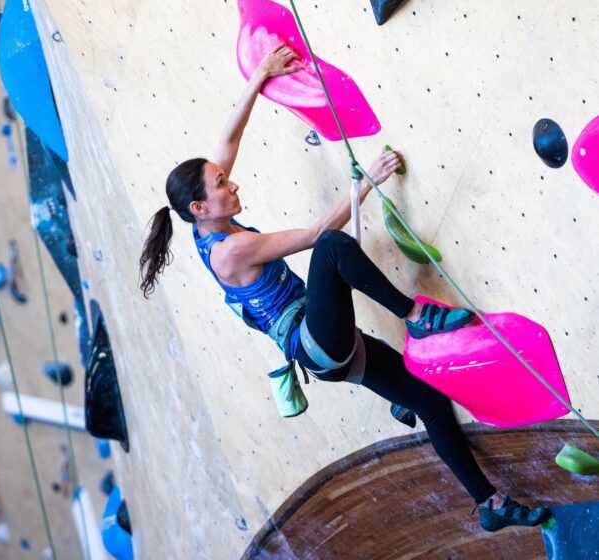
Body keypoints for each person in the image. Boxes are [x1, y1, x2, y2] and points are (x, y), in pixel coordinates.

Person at [139, 44, 551, 532]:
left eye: (225, 178)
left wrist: (261, 76)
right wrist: (365, 187)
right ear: (200, 208)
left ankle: (490, 503)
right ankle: (415, 317)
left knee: (431, 403)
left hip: (329, 343)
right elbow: (316, 238)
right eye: (222, 186)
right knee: (333, 248)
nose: (232, 185)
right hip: (317, 342)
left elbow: (230, 136)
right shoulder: (229, 252)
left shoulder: (205, 222)